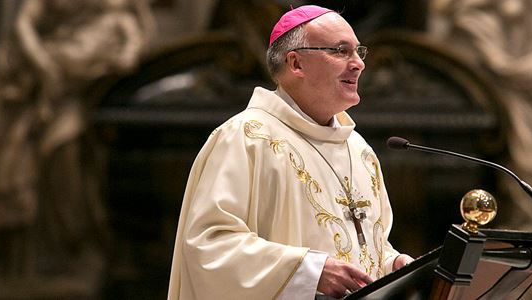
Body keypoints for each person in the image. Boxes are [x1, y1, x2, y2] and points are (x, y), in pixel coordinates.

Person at [167, 5, 414, 299]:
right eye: (340, 51)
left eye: (359, 52)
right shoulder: (246, 138)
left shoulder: (359, 149)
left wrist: (392, 264)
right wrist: (309, 271)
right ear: (296, 63)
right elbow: (209, 245)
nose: (358, 63)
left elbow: (364, 247)